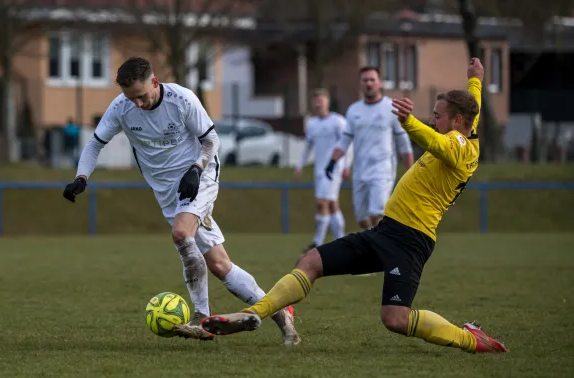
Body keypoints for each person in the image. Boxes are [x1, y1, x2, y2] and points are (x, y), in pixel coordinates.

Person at [201, 58, 508, 354]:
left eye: (438, 115)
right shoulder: (467, 126)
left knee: (395, 319)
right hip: (386, 231)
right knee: (310, 261)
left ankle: (470, 339)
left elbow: (440, 144)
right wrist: (475, 80)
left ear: (456, 121)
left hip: (411, 242)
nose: (433, 119)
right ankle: (252, 313)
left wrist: (409, 123)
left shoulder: (461, 147)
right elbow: (473, 110)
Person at [62, 57, 299, 345]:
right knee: (219, 264)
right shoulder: (122, 107)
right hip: (167, 193)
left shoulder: (182, 99)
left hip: (199, 176)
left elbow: (212, 141)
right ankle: (280, 310)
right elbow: (95, 144)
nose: (137, 104)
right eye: (130, 98)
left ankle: (202, 317)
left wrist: (197, 169)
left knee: (180, 233)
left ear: (155, 82)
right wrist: (81, 177)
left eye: (141, 96)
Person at [325, 66, 414, 230]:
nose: (369, 83)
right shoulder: (354, 110)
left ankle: (382, 251)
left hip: (382, 169)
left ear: (380, 83)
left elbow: (403, 143)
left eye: (372, 80)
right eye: (365, 80)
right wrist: (332, 161)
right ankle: (376, 246)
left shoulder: (392, 108)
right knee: (362, 220)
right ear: (360, 84)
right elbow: (345, 140)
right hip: (360, 171)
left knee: (376, 213)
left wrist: (411, 171)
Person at [294, 89, 350, 252]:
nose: (318, 103)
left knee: (322, 203)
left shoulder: (338, 121)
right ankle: (341, 242)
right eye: (316, 101)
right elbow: (307, 147)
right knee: (332, 205)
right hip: (319, 170)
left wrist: (346, 165)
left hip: (333, 168)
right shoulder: (312, 124)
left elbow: (347, 144)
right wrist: (299, 166)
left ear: (327, 102)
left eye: (321, 100)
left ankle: (318, 241)